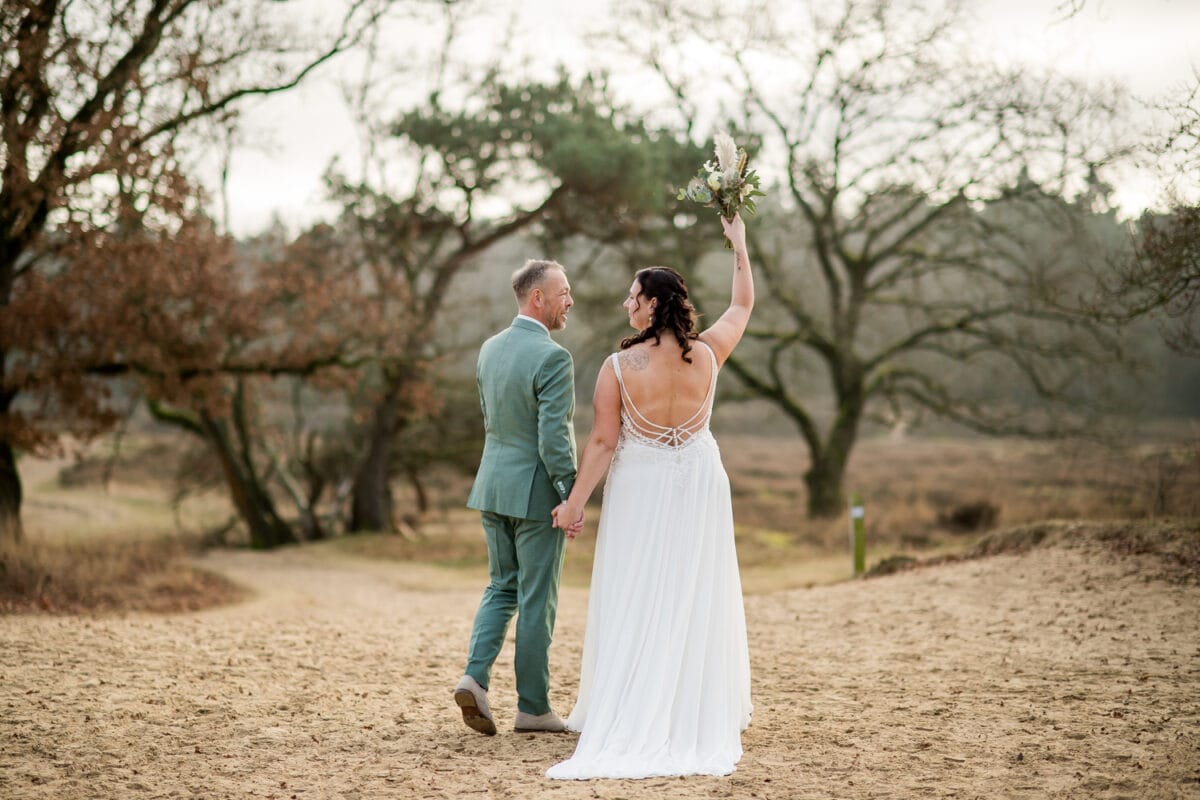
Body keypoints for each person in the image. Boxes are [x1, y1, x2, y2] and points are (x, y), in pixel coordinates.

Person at [545, 213, 755, 780]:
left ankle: (634, 699)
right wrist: (739, 245)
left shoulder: (619, 367)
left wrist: (574, 503)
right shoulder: (709, 354)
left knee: (638, 587)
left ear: (651, 304)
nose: (625, 305)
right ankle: (693, 702)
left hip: (641, 487)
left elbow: (603, 441)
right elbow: (741, 307)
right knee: (694, 586)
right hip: (699, 484)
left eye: (632, 297)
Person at [453, 259, 581, 736]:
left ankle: (474, 677)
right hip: (536, 497)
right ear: (538, 299)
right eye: (563, 292)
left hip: (492, 486)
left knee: (500, 586)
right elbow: (554, 440)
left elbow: (493, 421)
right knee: (535, 598)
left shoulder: (489, 349)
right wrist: (569, 495)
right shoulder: (553, 358)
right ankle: (532, 708)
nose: (570, 300)